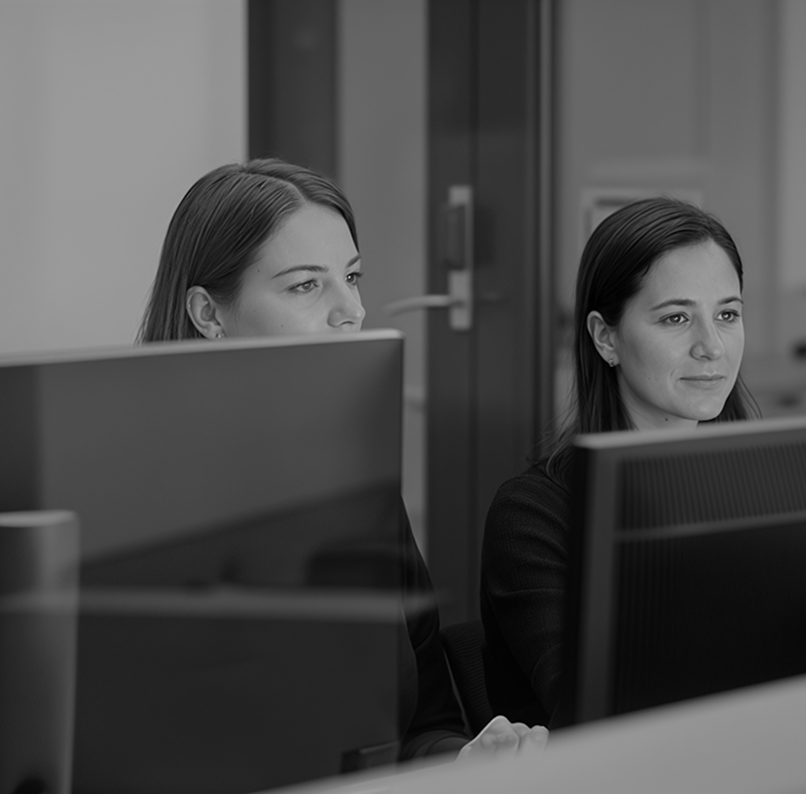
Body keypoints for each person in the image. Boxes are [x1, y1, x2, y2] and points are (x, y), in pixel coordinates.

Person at [138, 157, 547, 762]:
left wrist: (462, 761)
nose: (350, 310)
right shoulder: (136, 511)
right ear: (209, 315)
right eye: (306, 285)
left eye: (352, 277)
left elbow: (426, 721)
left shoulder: (364, 494)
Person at [480, 197, 761, 728]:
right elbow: (599, 712)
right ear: (605, 337)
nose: (712, 347)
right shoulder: (533, 517)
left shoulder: (765, 487)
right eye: (676, 317)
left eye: (727, 314)